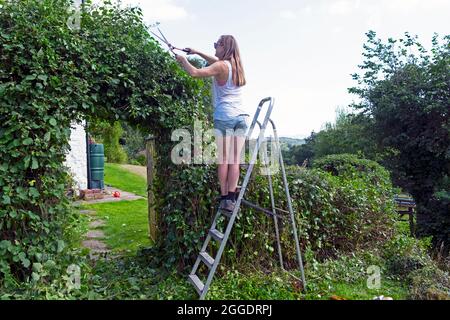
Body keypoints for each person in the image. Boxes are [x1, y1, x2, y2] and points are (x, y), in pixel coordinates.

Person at [174, 35, 248, 213]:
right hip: (241, 117)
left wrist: (183, 60)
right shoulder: (236, 66)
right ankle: (231, 197)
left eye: (217, 44)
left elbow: (195, 73)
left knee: (223, 160)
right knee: (235, 160)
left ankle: (224, 197)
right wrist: (196, 52)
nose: (214, 47)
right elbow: (215, 60)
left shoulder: (220, 66)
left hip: (225, 117)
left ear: (225, 47)